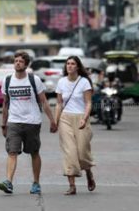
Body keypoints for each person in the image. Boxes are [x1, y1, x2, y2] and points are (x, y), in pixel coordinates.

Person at [0, 51, 57, 195]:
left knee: (34, 152)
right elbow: (5, 104)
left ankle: (36, 183)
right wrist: (3, 123)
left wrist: (52, 120)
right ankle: (8, 182)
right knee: (12, 152)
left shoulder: (34, 80)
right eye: (16, 61)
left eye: (20, 61)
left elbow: (43, 101)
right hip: (14, 122)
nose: (17, 63)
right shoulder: (7, 80)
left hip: (32, 122)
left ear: (26, 64)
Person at [55, 56, 95, 195]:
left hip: (80, 118)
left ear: (77, 67)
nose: (69, 66)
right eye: (68, 64)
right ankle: (72, 186)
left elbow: (88, 103)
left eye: (72, 64)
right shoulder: (61, 82)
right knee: (69, 151)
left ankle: (88, 172)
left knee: (82, 152)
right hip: (65, 118)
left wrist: (85, 118)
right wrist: (55, 121)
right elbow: (59, 103)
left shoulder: (84, 82)